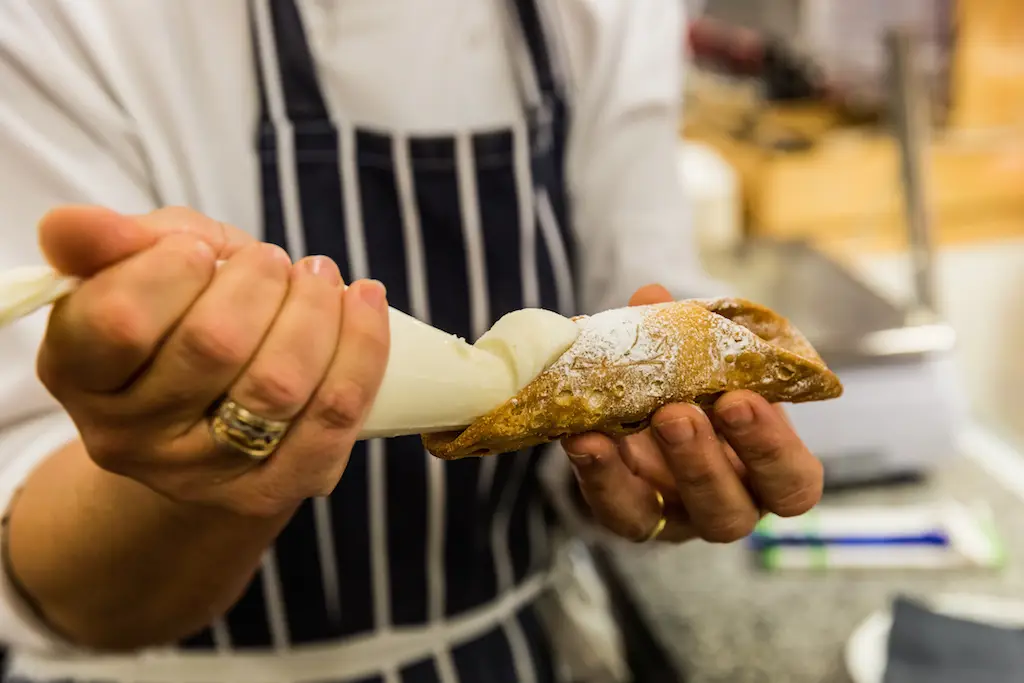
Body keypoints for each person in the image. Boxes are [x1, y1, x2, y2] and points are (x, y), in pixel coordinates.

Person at [0, 1, 824, 681]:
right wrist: (216, 460)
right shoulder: (71, 21)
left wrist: (645, 469)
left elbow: (634, 314)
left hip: (501, 652)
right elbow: (59, 577)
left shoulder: (605, 13)